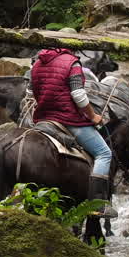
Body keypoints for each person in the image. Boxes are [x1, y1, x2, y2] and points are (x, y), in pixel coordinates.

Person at [28, 47, 117, 218]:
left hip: (44, 119)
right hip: (68, 120)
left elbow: (32, 91)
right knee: (104, 153)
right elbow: (78, 95)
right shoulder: (72, 63)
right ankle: (97, 205)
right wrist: (93, 116)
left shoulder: (37, 63)